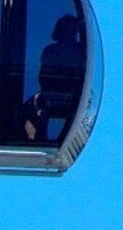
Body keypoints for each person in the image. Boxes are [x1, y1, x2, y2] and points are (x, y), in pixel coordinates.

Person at [35, 8, 87, 140]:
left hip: (74, 96)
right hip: (54, 94)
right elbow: (43, 77)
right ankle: (37, 139)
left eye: (70, 28)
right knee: (31, 107)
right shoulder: (50, 50)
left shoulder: (83, 51)